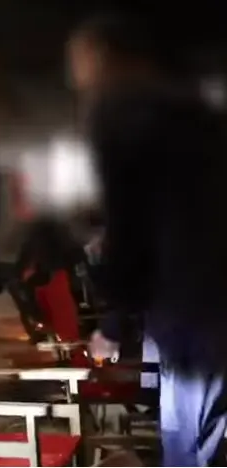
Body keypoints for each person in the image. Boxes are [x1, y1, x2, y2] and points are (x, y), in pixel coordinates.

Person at [71, 13, 227, 466]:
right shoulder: (197, 117)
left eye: (81, 65)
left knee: (186, 440)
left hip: (190, 315)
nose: (79, 81)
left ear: (108, 59)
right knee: (200, 434)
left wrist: (112, 326)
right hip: (205, 309)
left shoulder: (126, 115)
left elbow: (138, 232)